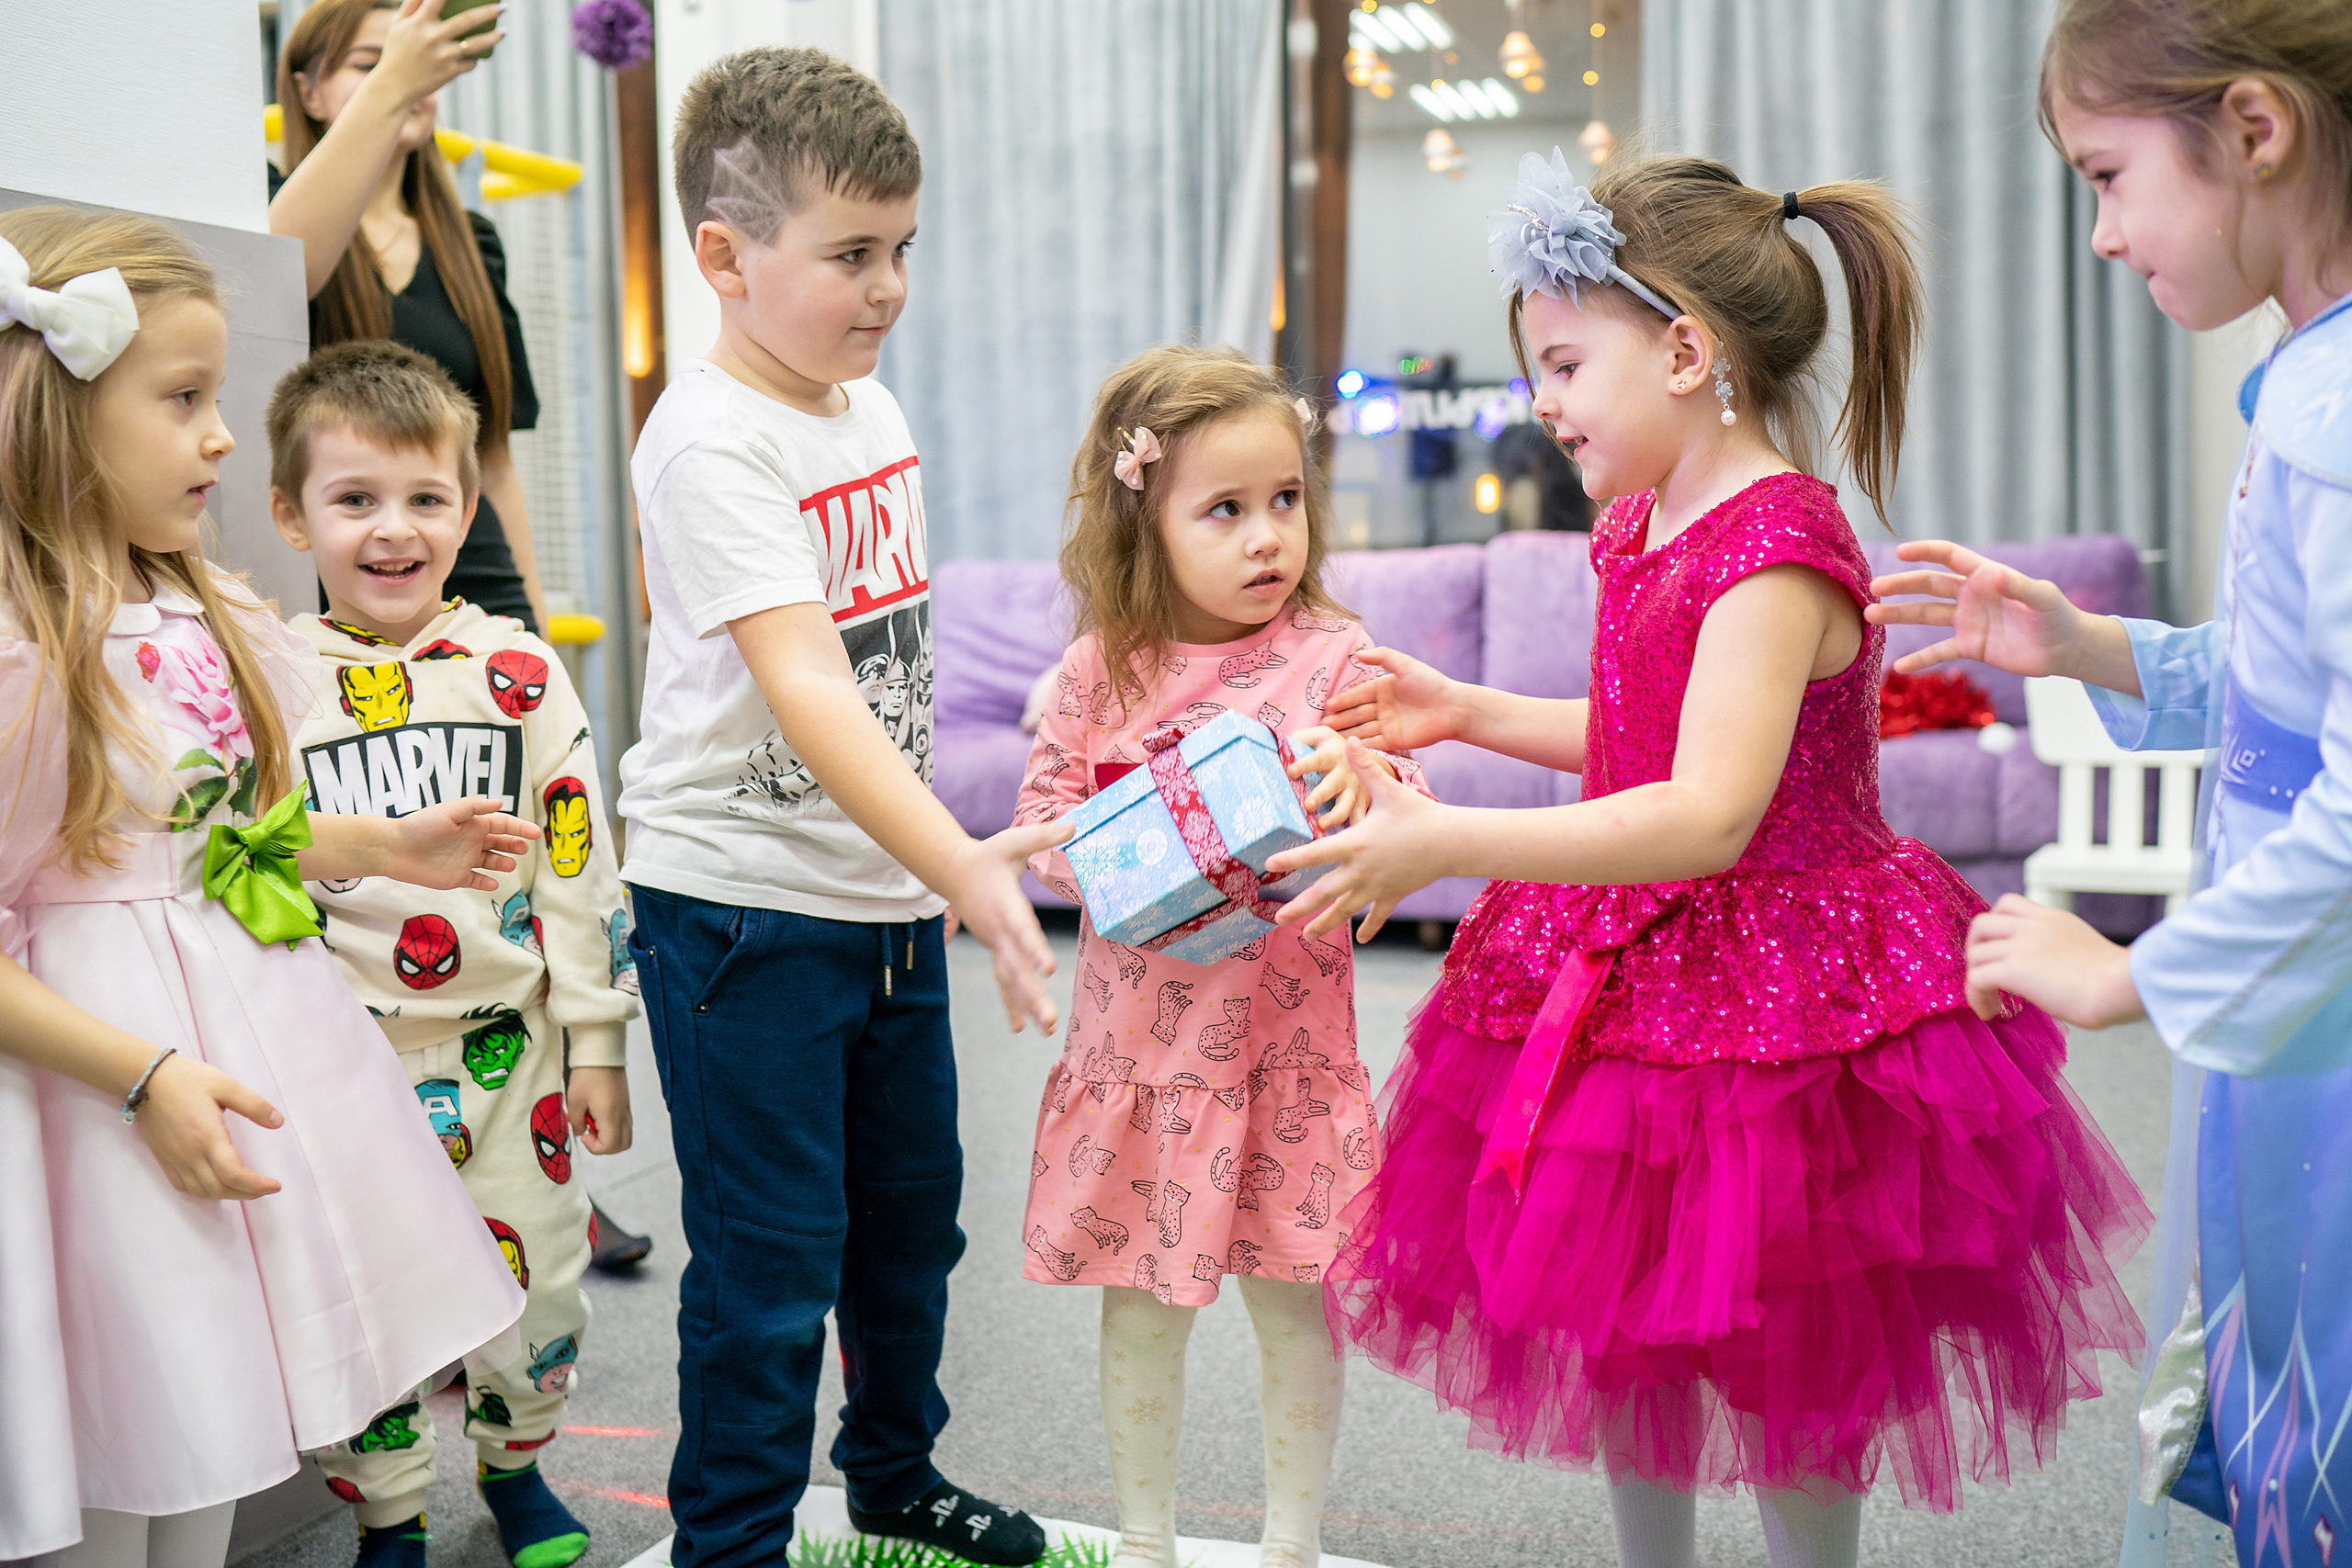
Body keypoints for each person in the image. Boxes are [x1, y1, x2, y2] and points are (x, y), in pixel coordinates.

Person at [1264, 152, 2153, 1568]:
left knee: (1796, 1342)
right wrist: (1473, 710)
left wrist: (1438, 836)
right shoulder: (1642, 525)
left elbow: (1706, 810)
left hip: (1793, 992)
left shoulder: (1782, 544)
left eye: (1561, 362)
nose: (1539, 402)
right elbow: (1637, 736)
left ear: (1686, 351)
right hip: (1641, 975)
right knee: (1631, 1325)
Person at [1869, 5, 2352, 1562]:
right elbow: (2290, 688)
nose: (2101, 234)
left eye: (2109, 175)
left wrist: (2140, 971)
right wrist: (2087, 644)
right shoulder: (2308, 375)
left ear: (2255, 130)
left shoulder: (2342, 417)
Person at [0, 208, 531, 1568]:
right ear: (57, 414)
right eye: (182, 400)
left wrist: (381, 847)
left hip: (220, 1060)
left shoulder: (198, 608)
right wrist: (139, 1073)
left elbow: (217, 838)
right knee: (123, 1450)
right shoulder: (19, 651)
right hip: (95, 1094)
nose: (223, 436)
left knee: (213, 1445)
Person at [615, 47, 1066, 1568]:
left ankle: (890, 1474)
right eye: (852, 254)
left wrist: (934, 861)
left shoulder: (864, 406)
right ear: (727, 260)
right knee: (768, 1260)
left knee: (905, 1232)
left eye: (902, 251)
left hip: (874, 906)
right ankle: (730, 1542)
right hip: (741, 908)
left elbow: (886, 666)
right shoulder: (710, 442)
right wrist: (966, 861)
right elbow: (809, 686)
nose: (887, 288)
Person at [1012, 345, 1430, 1568]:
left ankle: (1291, 1540)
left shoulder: (1339, 658)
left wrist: (1367, 789)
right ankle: (1145, 1538)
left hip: (1284, 1054)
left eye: (1286, 501)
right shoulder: (1101, 668)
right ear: (1144, 519)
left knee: (1296, 1302)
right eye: (1227, 509)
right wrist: (1115, 851)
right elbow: (1046, 821)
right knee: (1141, 1309)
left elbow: (1409, 800)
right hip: (1141, 1061)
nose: (1267, 537)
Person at [266, 342, 638, 1568]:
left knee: (541, 1284)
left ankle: (516, 1468)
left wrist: (596, 1040)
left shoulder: (521, 672)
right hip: (340, 1060)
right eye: (354, 498)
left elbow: (575, 866)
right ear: (291, 512)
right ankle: (389, 1507)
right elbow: (239, 859)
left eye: (427, 498)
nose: (394, 529)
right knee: (360, 1289)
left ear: (467, 508)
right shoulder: (269, 683)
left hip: (512, 1044)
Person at [268, 0, 549, 633]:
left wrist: (532, 630)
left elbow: (493, 458)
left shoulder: (471, 244)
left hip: (468, 577)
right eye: (370, 64)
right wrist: (396, 79)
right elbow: (284, 272)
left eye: (412, 67)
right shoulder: (271, 209)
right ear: (306, 92)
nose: (404, 81)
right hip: (329, 577)